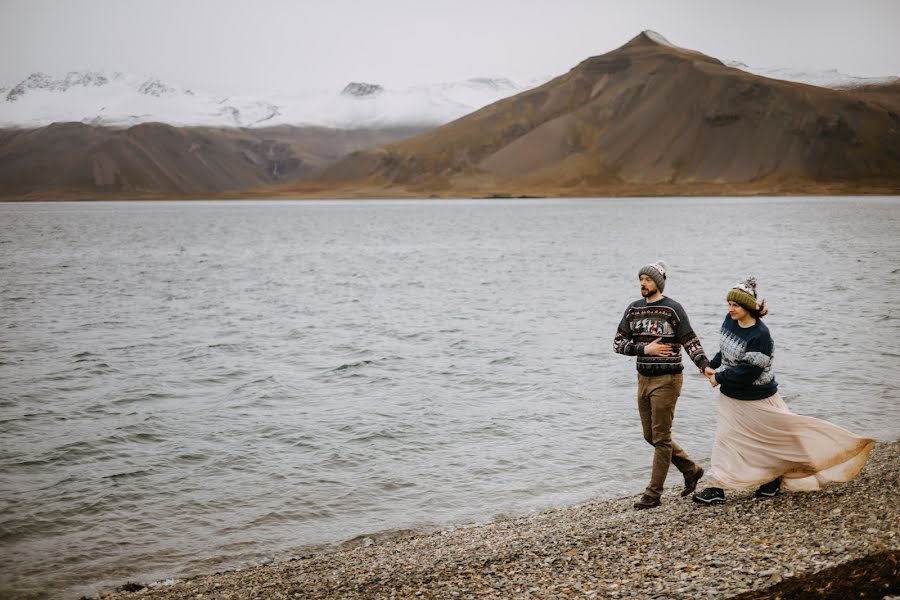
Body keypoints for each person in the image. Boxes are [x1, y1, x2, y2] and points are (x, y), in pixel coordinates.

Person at [692, 277, 875, 505]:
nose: (730, 309)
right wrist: (713, 364)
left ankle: (775, 478)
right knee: (726, 439)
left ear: (749, 307)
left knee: (778, 440)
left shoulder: (761, 335)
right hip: (731, 398)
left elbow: (748, 372)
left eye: (735, 305)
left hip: (759, 398)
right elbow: (725, 349)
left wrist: (718, 378)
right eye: (728, 304)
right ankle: (717, 487)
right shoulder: (730, 322)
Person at [614, 261, 709, 509]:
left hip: (668, 380)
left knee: (662, 438)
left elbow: (690, 341)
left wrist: (704, 365)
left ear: (659, 282)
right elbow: (617, 344)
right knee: (651, 436)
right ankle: (692, 470)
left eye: (647, 279)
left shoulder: (672, 309)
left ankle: (653, 494)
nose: (643, 283)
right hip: (643, 379)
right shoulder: (633, 310)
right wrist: (645, 348)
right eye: (641, 279)